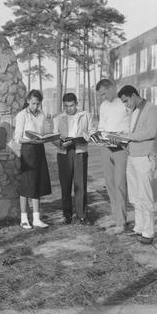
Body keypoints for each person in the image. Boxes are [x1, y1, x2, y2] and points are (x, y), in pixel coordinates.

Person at [117, 85, 157, 244]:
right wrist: (120, 137)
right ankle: (139, 228)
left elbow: (151, 132)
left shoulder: (152, 109)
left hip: (145, 157)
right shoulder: (132, 111)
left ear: (134, 95)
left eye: (126, 101)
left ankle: (148, 232)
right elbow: (132, 133)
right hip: (132, 156)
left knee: (145, 196)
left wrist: (129, 136)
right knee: (135, 196)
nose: (126, 104)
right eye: (123, 102)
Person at [53, 93, 95, 225]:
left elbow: (92, 131)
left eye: (71, 106)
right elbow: (54, 137)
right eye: (66, 106)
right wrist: (59, 143)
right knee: (65, 185)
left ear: (76, 103)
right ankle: (67, 215)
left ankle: (82, 215)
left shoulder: (85, 115)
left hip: (80, 151)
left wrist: (86, 137)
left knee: (80, 185)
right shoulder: (58, 118)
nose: (69, 109)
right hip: (64, 153)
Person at [96, 79, 130, 233]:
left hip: (121, 146)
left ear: (112, 88)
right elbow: (101, 126)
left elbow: (132, 125)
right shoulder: (103, 106)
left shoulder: (124, 102)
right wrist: (98, 136)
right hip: (106, 147)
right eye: (100, 95)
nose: (103, 97)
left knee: (120, 184)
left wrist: (122, 135)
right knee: (109, 184)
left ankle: (122, 222)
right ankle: (116, 218)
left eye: (104, 93)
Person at [14, 89, 51, 229]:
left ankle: (36, 218)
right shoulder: (22, 115)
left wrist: (46, 136)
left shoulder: (42, 115)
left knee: (37, 183)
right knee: (26, 184)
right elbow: (17, 138)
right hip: (28, 150)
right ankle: (24, 218)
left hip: (39, 149)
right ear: (28, 101)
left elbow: (45, 133)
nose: (36, 106)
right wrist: (30, 141)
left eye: (38, 104)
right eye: (33, 103)